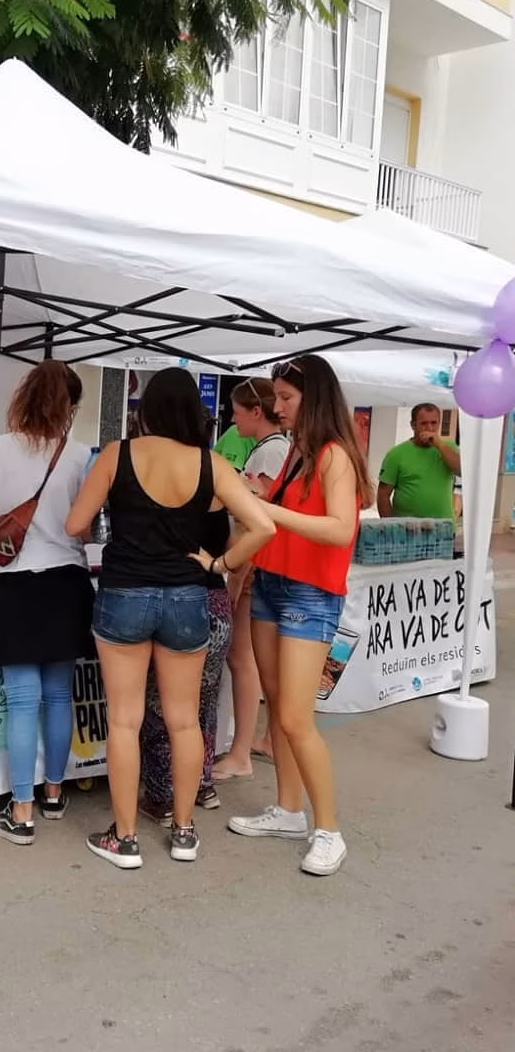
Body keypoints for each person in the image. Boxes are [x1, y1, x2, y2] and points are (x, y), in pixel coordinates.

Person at [66, 369, 275, 869]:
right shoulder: (213, 464)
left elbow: (75, 525)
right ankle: (184, 832)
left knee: (124, 719)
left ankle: (125, 839)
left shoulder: (118, 454)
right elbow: (262, 524)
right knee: (185, 721)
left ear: (149, 408)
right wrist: (219, 565)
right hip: (187, 597)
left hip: (124, 594)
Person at [228, 355, 373, 877]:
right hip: (273, 583)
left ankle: (328, 829)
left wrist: (268, 510)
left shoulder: (335, 454)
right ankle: (289, 811)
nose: (278, 406)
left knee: (294, 717)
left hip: (310, 595)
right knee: (278, 708)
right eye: (277, 398)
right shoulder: (298, 452)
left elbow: (339, 529)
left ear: (314, 399)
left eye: (287, 398)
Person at [0, 360, 94, 845]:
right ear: (71, 407)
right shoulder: (81, 456)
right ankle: (55, 795)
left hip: (15, 585)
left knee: (23, 700)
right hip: (67, 582)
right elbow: (83, 526)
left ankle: (21, 812)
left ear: (24, 396)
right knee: (60, 694)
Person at [139, 427, 233, 828]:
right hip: (215, 602)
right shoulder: (218, 477)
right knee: (204, 704)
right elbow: (243, 534)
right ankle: (201, 784)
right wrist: (223, 567)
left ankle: (162, 797)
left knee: (163, 705)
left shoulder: (165, 481)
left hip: (179, 600)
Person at [213, 378, 291, 781]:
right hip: (260, 568)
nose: (232, 417)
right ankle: (263, 741)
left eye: (236, 410)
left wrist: (233, 573)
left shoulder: (270, 454)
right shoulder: (273, 450)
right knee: (257, 663)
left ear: (255, 412)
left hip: (254, 567)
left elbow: (253, 523)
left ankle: (241, 750)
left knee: (243, 660)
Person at [377, 403, 461, 520]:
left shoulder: (449, 448)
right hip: (407, 529)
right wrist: (390, 526)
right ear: (413, 425)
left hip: (442, 528)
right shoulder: (396, 454)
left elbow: (461, 470)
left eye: (434, 423)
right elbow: (383, 496)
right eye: (424, 423)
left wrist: (439, 445)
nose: (430, 428)